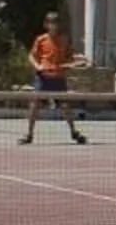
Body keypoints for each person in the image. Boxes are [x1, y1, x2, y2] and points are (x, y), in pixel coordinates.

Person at [21, 12, 90, 146]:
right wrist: (38, 66)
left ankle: (74, 132)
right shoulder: (41, 40)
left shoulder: (64, 40)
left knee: (65, 106)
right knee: (34, 105)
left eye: (56, 23)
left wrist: (77, 61)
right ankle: (29, 134)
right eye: (51, 23)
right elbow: (32, 56)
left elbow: (69, 57)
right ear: (46, 25)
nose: (54, 26)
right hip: (43, 78)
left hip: (58, 78)